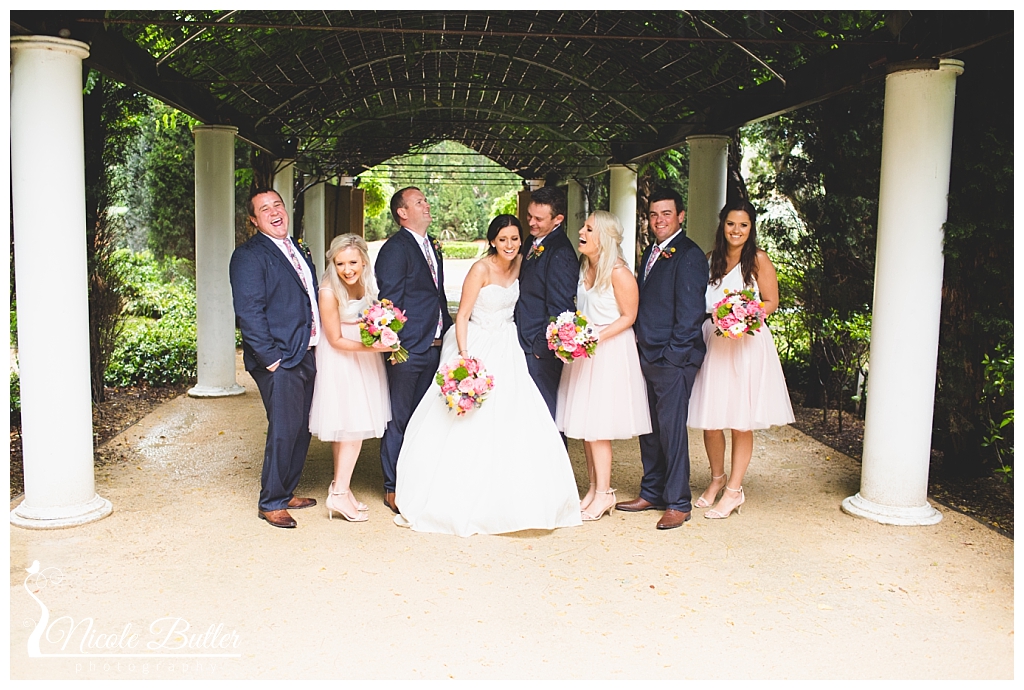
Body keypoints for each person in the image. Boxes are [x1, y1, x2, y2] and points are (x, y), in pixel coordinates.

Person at [394, 215, 582, 537]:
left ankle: (517, 497)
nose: (510, 245)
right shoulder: (480, 269)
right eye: (503, 239)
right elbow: (462, 316)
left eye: (515, 238)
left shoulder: (522, 263)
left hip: (508, 344)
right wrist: (465, 357)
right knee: (468, 420)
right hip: (477, 342)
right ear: (493, 240)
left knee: (516, 415)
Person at [688, 201, 795, 519]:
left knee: (740, 419)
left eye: (743, 225)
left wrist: (743, 315)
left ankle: (734, 490)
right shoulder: (711, 259)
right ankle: (717, 478)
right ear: (722, 225)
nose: (736, 230)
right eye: (731, 224)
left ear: (751, 228)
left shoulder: (758, 260)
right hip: (715, 343)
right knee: (711, 420)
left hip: (746, 344)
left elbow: (771, 301)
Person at [615, 188, 708, 530]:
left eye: (666, 214)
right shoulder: (651, 252)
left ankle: (678, 502)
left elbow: (691, 314)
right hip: (648, 353)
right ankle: (652, 491)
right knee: (650, 429)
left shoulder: (689, 255)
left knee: (671, 431)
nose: (659, 220)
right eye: (654, 215)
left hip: (673, 359)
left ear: (681, 216)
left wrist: (673, 357)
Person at [230, 188, 321, 529]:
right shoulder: (248, 256)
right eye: (264, 209)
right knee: (284, 429)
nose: (274, 212)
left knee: (301, 428)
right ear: (254, 220)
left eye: (277, 205)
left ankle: (285, 491)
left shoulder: (298, 248)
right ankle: (270, 502)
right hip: (280, 358)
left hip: (306, 350)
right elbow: (249, 311)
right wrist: (271, 359)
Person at [556, 211, 651, 521]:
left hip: (608, 351)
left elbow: (629, 316)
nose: (581, 232)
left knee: (598, 428)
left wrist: (594, 336)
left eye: (588, 229)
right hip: (585, 351)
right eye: (583, 227)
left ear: (604, 238)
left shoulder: (619, 272)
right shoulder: (586, 266)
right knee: (586, 427)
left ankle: (606, 493)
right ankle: (594, 489)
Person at [375, 187, 454, 515]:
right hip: (408, 348)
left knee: (426, 418)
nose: (426, 204)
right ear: (402, 213)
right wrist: (395, 345)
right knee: (400, 417)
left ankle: (418, 478)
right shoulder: (395, 249)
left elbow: (436, 294)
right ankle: (393, 486)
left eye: (425, 200)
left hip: (435, 345)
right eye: (419, 202)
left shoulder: (431, 244)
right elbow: (389, 301)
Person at [309, 234, 394, 523]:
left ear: (363, 261)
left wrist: (383, 332)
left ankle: (341, 488)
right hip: (341, 359)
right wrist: (375, 348)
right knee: (353, 427)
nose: (347, 270)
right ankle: (338, 494)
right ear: (332, 263)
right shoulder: (328, 290)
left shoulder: (367, 281)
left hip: (363, 356)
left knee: (346, 427)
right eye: (340, 263)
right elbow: (334, 339)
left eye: (353, 263)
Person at [514, 185, 578, 421]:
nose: (531, 223)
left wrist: (540, 347)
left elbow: (561, 309)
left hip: (539, 350)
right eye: (529, 216)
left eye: (539, 219)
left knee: (545, 415)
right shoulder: (532, 241)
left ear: (558, 219)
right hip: (524, 341)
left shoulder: (561, 253)